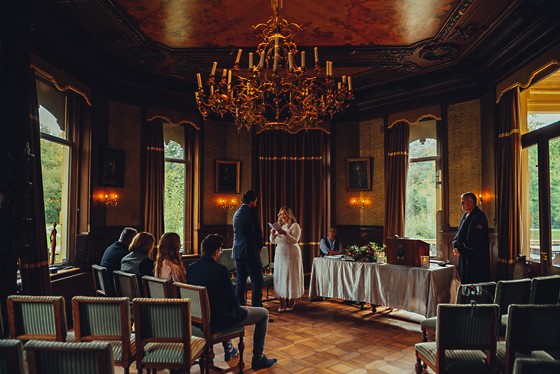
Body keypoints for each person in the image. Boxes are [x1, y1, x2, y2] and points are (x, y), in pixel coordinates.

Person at [187, 234, 277, 369]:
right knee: (263, 313)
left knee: (225, 308)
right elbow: (232, 302)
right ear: (217, 251)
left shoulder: (191, 268)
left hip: (198, 320)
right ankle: (258, 358)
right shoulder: (221, 270)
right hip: (219, 320)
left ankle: (229, 349)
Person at [232, 190, 264, 307]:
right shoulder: (251, 212)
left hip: (238, 251)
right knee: (257, 280)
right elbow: (257, 232)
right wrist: (260, 246)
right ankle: (257, 309)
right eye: (255, 201)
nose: (256, 203)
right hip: (250, 251)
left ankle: (239, 307)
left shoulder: (236, 213)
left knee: (240, 280)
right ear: (252, 201)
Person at [269, 207, 304, 312]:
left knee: (291, 276)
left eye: (285, 214)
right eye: (281, 214)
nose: (283, 216)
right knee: (280, 276)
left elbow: (295, 240)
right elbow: (273, 241)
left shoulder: (295, 226)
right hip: (280, 254)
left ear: (289, 214)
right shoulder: (279, 226)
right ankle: (281, 300)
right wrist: (272, 234)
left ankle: (292, 299)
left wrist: (285, 233)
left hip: (292, 254)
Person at [452, 192, 491, 283]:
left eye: (463, 202)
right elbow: (459, 233)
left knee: (473, 281)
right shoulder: (466, 215)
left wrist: (461, 249)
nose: (461, 205)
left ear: (470, 202)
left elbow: (476, 239)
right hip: (464, 255)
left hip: (474, 258)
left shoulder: (478, 216)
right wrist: (455, 246)